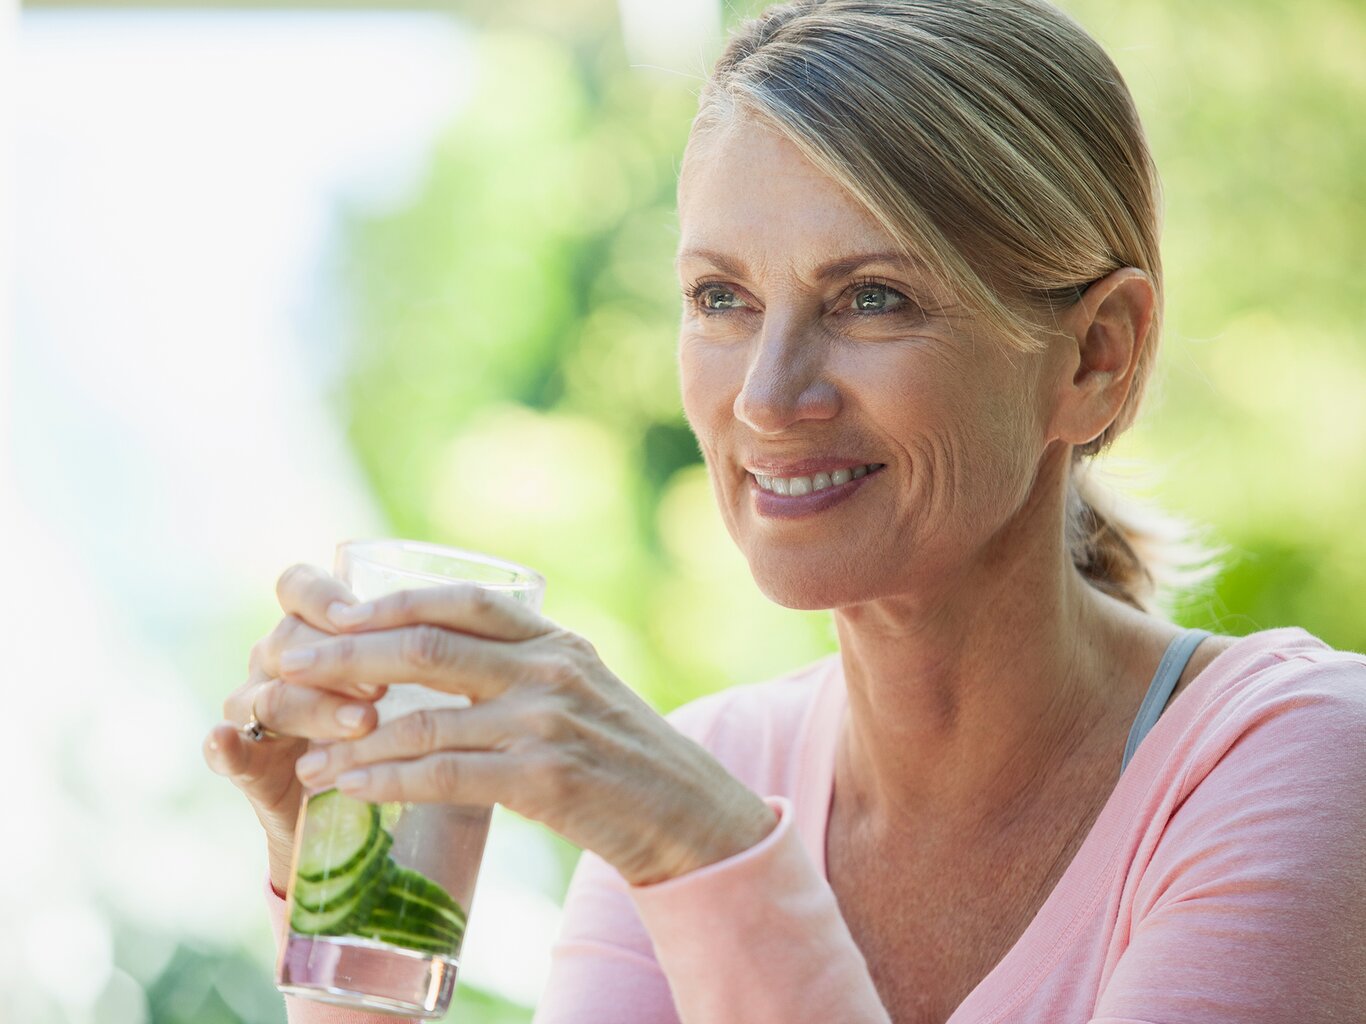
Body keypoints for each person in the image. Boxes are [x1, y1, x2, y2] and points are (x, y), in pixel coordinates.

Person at [203, 1, 1366, 1021]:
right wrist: (351, 927)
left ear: (1095, 357)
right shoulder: (709, 763)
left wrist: (702, 850)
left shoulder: (1296, 759)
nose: (764, 396)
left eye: (870, 298)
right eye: (721, 297)